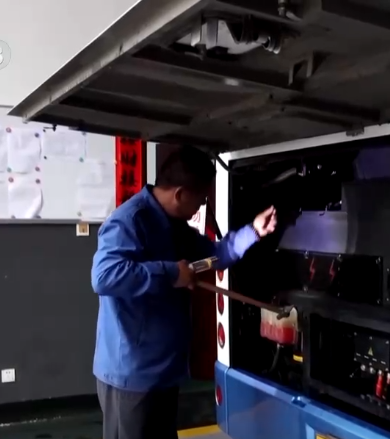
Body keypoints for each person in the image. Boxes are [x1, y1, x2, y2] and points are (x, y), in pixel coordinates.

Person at [90, 145, 277, 439]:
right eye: (201, 199)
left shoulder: (175, 226)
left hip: (164, 371)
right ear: (180, 194)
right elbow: (104, 277)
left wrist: (253, 231)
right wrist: (171, 273)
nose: (201, 207)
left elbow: (216, 255)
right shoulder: (130, 221)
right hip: (132, 376)